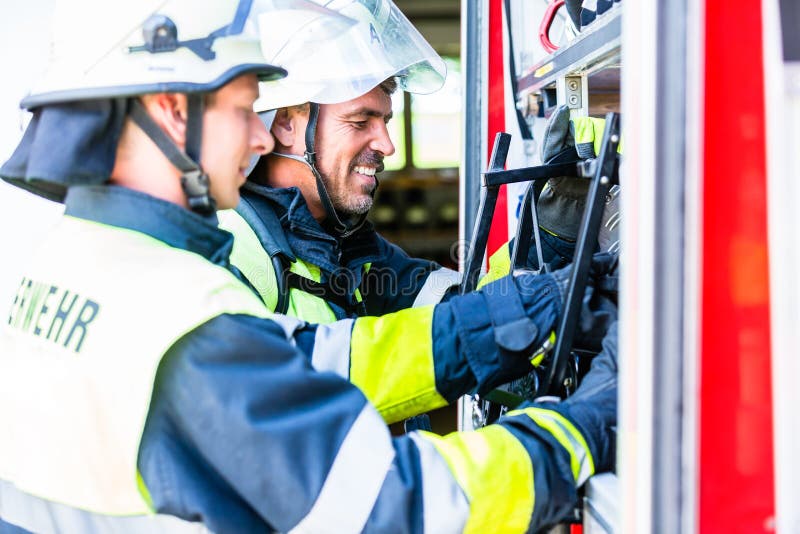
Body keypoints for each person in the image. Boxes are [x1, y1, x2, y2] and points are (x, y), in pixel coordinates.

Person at [0, 0, 617, 532]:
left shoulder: (80, 261)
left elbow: (311, 359)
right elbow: (400, 509)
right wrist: (582, 429)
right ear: (172, 111)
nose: (261, 135)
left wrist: (535, 288)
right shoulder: (185, 323)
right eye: (245, 108)